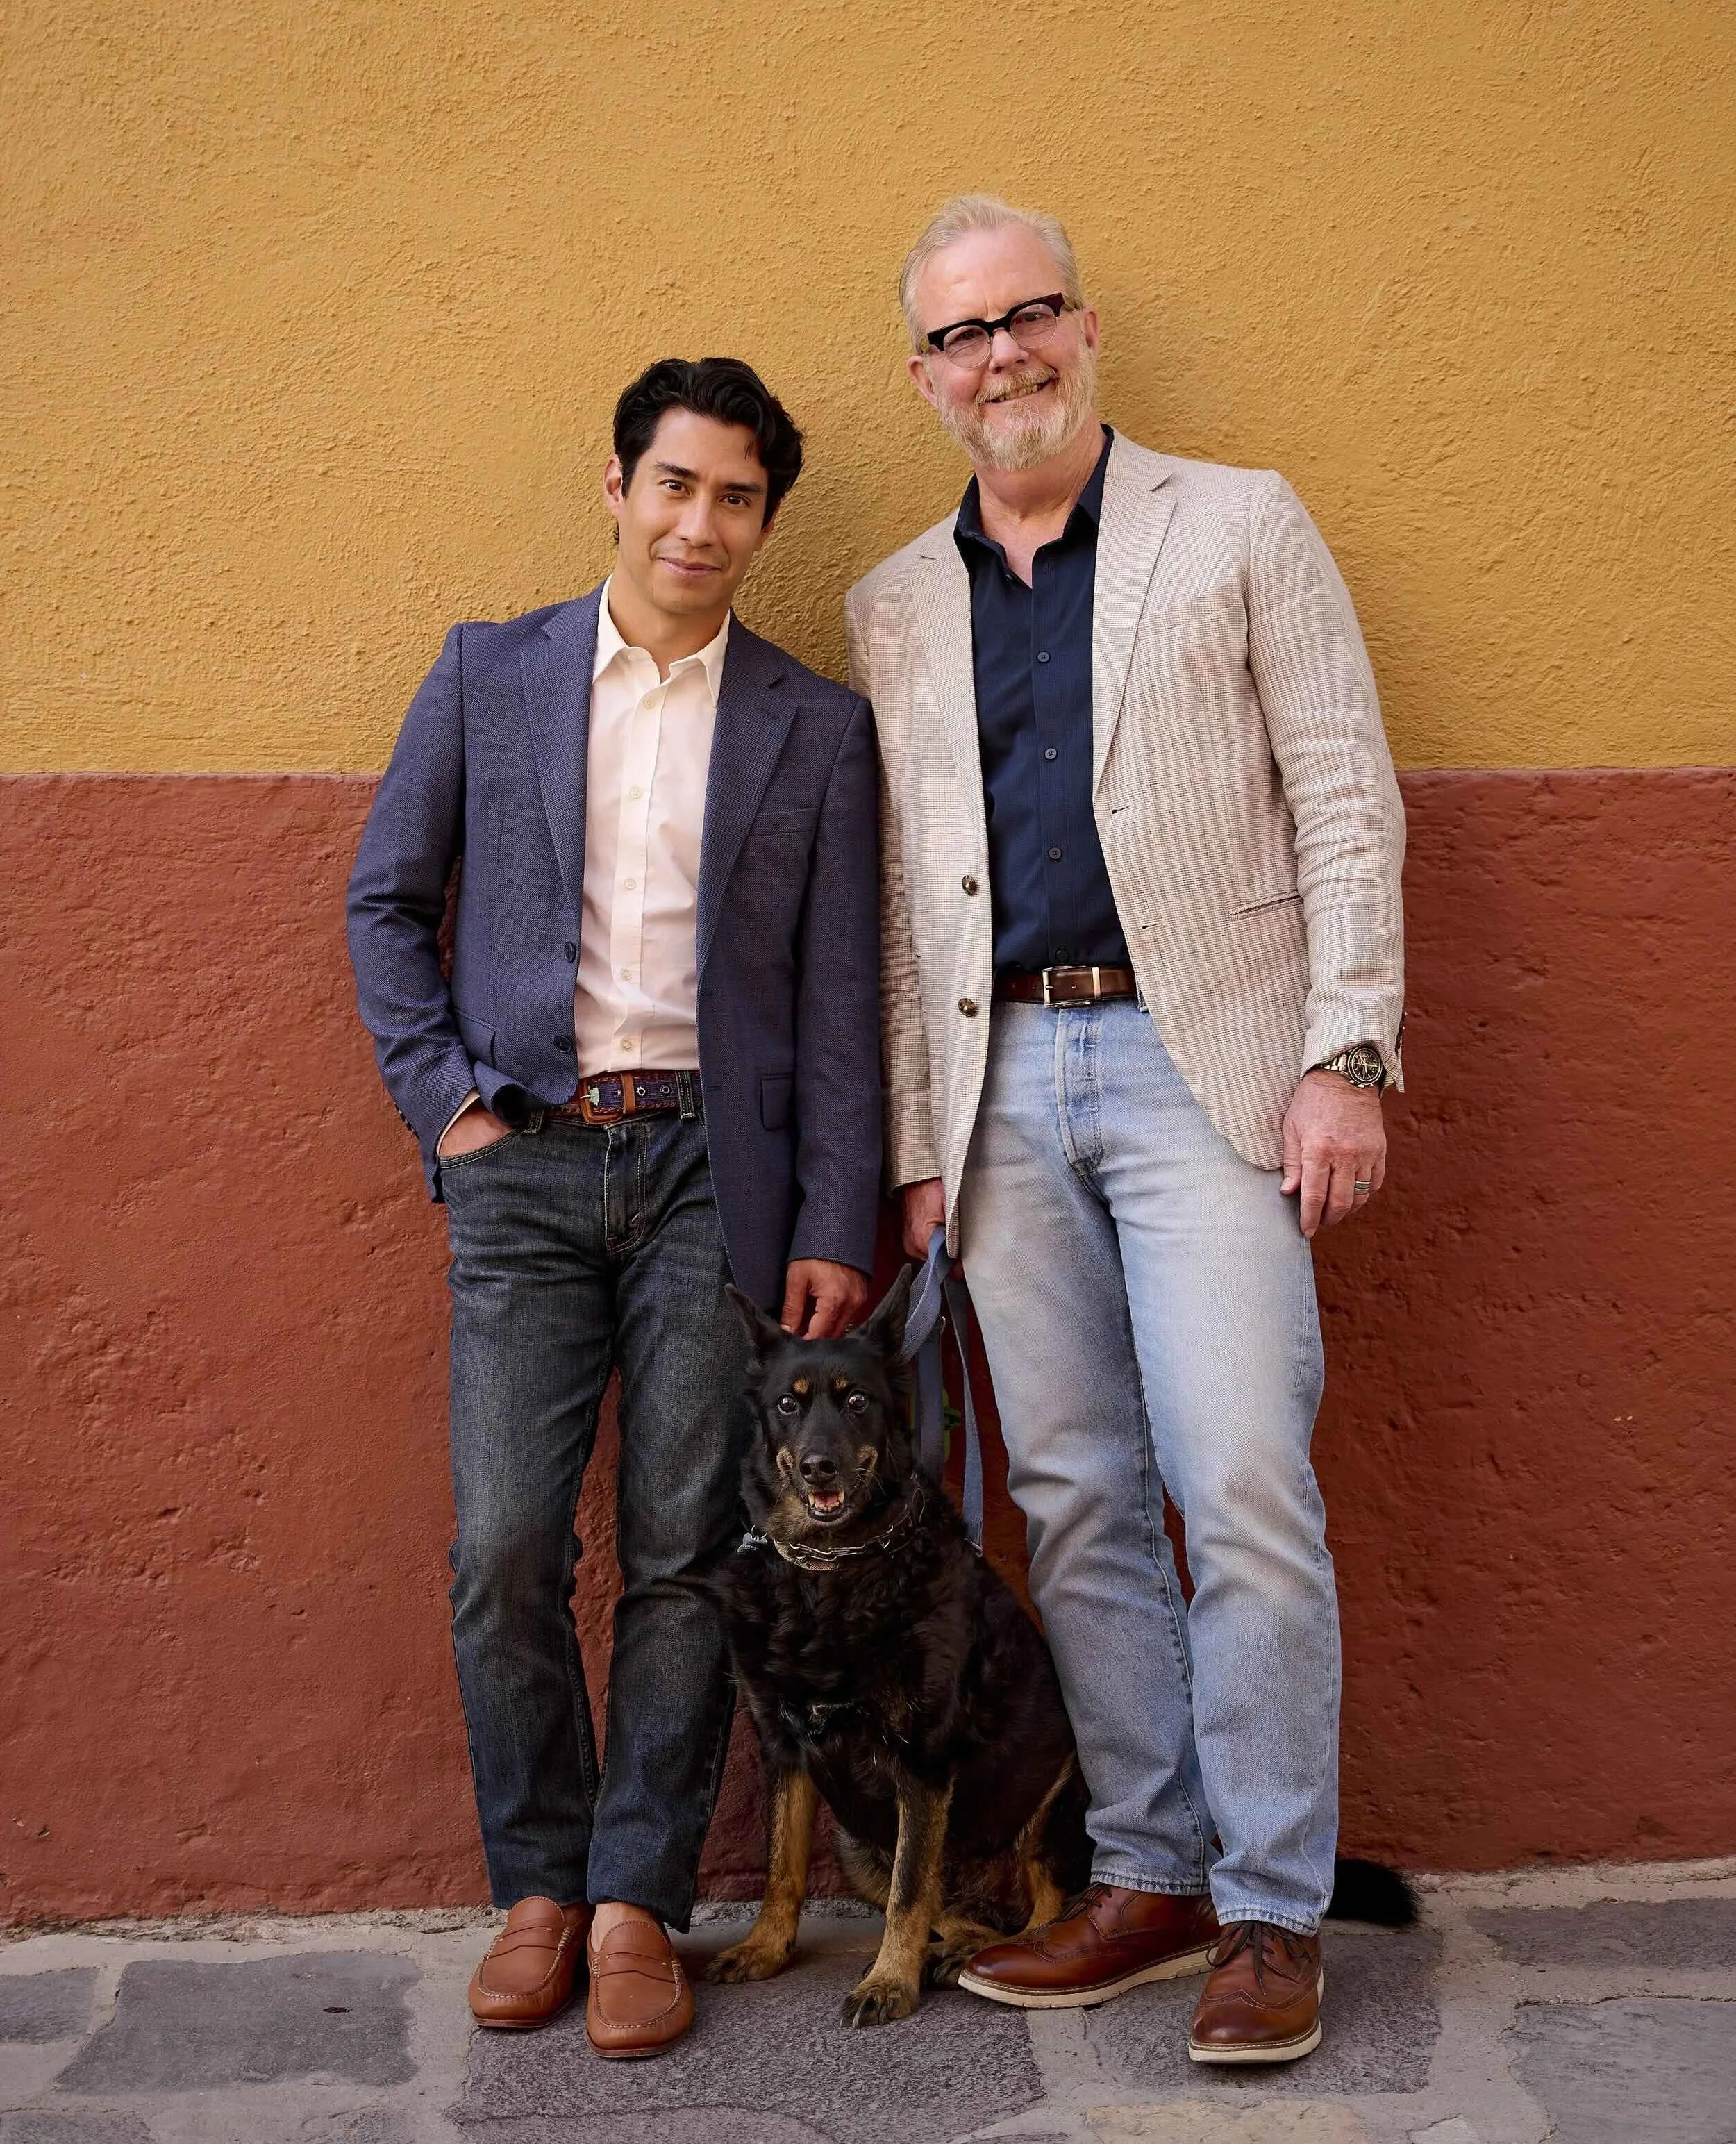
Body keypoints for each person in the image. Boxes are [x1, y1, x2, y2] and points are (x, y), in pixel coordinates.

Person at [845, 197, 1405, 2065]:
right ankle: (1149, 1872)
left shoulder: (1235, 519)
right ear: (919, 374)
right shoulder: (888, 601)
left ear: (1083, 327)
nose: (998, 356)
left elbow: (1339, 789)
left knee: (1239, 1476)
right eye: (957, 335)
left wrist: (1347, 1052)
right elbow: (910, 901)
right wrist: (924, 1142)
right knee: (1071, 1493)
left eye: (1028, 316)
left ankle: (1267, 1909)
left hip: (1207, 1078)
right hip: (1002, 1085)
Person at [347, 357, 880, 2057]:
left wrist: (834, 1217)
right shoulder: (488, 675)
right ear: (616, 485)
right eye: (673, 483)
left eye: (734, 496)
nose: (698, 522)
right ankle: (538, 1887)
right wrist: (453, 1113)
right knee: (503, 1541)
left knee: (679, 1552)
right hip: (525, 1159)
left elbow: (840, 1001)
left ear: (762, 520)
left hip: (716, 1173)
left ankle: (638, 1896)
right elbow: (384, 904)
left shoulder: (812, 723)